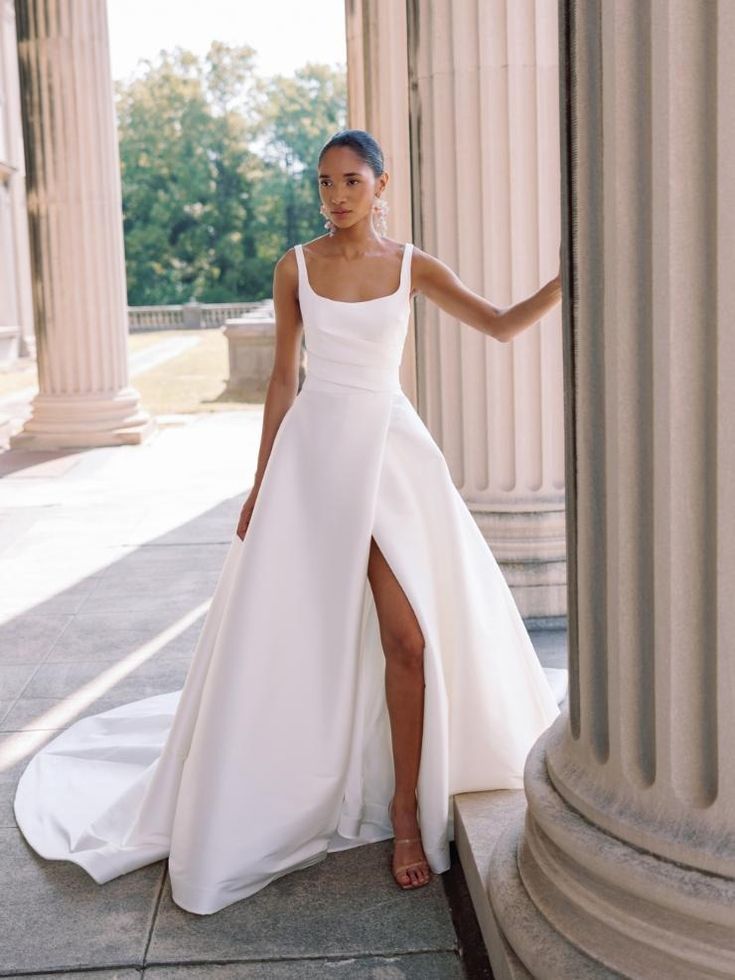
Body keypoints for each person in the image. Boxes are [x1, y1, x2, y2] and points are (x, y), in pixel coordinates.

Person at [14, 128, 565, 914]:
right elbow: (281, 379)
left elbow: (504, 324)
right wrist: (260, 481)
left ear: (382, 186)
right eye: (323, 182)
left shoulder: (411, 265)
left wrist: (565, 278)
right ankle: (298, 774)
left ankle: (405, 812)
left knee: (406, 639)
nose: (336, 195)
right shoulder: (295, 267)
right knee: (303, 634)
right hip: (314, 460)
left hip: (392, 458)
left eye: (350, 180)